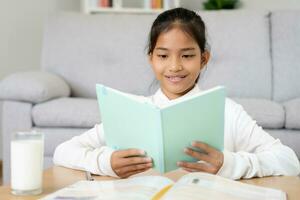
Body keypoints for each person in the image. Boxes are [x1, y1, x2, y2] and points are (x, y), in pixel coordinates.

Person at [53, 8, 300, 179]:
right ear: (151, 58)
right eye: (163, 55)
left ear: (204, 59)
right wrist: (106, 163)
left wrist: (229, 163)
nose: (174, 66)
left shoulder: (226, 111)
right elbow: (63, 151)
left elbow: (288, 161)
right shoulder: (132, 112)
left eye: (187, 55)